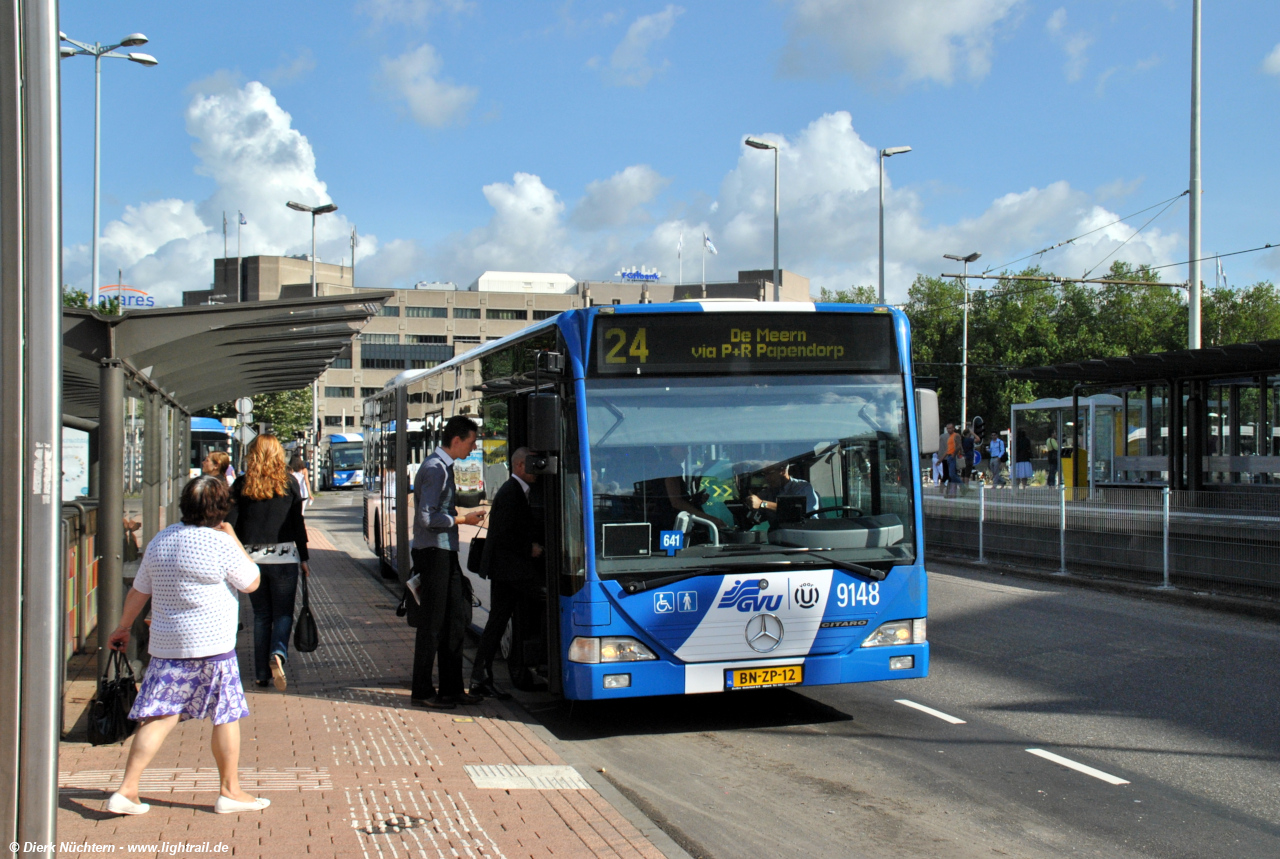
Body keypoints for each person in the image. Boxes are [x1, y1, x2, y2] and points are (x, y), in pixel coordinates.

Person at [105, 476, 269, 816]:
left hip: (167, 645)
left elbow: (140, 591)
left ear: (184, 505)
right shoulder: (220, 543)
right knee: (225, 715)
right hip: (213, 646)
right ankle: (230, 791)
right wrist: (235, 538)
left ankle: (127, 789)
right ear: (222, 508)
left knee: (160, 716)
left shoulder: (160, 541)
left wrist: (122, 627)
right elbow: (251, 582)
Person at [411, 415, 486, 709]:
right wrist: (462, 519)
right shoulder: (435, 468)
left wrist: (462, 514)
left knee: (456, 619)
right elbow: (427, 518)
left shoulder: (442, 467)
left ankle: (452, 688)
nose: (473, 446)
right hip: (434, 553)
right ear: (456, 441)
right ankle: (422, 691)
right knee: (432, 624)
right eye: (471, 441)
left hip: (444, 551)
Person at [226, 434, 310, 692]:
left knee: (262, 615)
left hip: (251, 560)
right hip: (284, 558)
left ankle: (261, 674)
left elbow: (231, 523)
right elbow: (297, 523)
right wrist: (304, 557)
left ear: (253, 454)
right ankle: (278, 651)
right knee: (283, 613)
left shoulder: (242, 484)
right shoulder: (289, 484)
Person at [470, 447, 543, 700]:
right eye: (533, 464)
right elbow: (503, 535)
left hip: (509, 570)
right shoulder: (511, 492)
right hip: (511, 571)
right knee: (546, 600)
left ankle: (481, 675)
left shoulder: (516, 491)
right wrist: (530, 548)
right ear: (520, 465)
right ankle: (483, 675)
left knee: (497, 622)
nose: (538, 469)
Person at [746, 461, 820, 522]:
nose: (766, 478)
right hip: (778, 536)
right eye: (764, 474)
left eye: (769, 473)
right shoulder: (768, 492)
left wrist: (762, 503)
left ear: (783, 470)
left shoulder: (802, 487)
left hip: (804, 535)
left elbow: (798, 513)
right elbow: (758, 517)